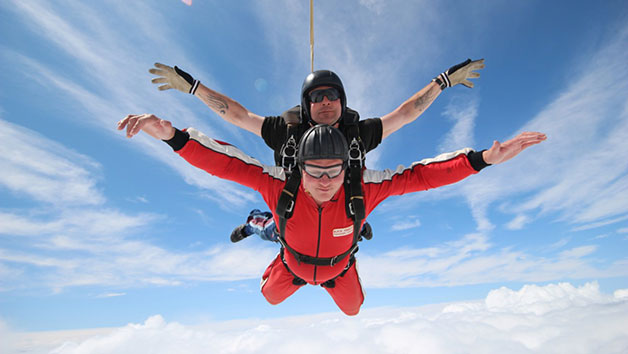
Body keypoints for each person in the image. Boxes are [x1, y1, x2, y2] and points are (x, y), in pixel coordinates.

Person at [117, 113, 546, 316]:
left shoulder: (364, 187)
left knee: (355, 310)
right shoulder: (278, 185)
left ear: (347, 166)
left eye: (334, 170)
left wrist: (483, 159)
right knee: (268, 297)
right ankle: (261, 224)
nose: (324, 180)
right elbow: (225, 161)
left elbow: (423, 176)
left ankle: (294, 230)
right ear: (299, 167)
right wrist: (171, 136)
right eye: (314, 171)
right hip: (293, 261)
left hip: (339, 267)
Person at [149, 59, 485, 243]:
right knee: (276, 234)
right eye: (316, 97)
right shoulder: (287, 132)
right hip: (294, 207)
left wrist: (442, 82)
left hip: (344, 199)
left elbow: (406, 113)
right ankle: (254, 222)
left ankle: (358, 223)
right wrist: (193, 88)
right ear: (305, 105)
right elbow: (237, 115)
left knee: (355, 218)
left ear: (342, 101)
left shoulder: (358, 132)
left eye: (332, 95)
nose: (325, 102)